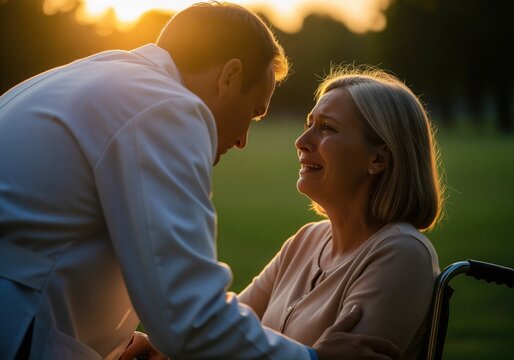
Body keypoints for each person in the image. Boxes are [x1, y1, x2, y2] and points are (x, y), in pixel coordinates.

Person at [0, 2, 401, 360]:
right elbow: (187, 317)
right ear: (229, 76)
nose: (243, 140)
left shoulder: (85, 77)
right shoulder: (166, 107)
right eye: (254, 112)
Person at [124, 66, 445, 359]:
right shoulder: (306, 240)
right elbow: (222, 335)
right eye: (309, 125)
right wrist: (162, 350)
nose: (302, 141)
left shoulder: (402, 254)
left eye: (328, 128)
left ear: (379, 159)